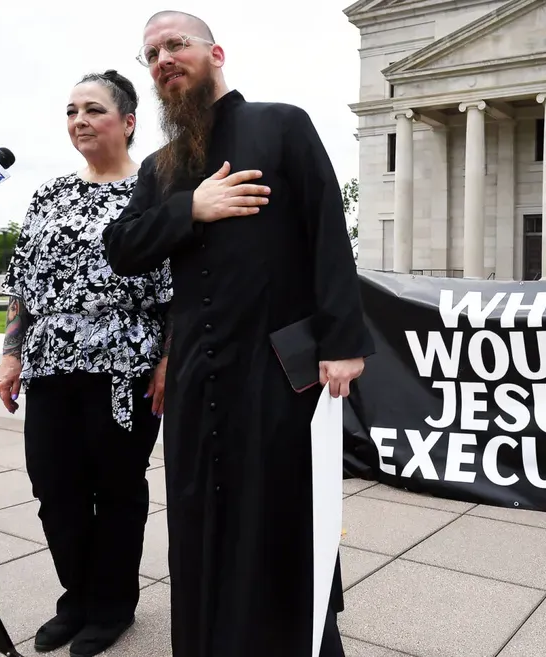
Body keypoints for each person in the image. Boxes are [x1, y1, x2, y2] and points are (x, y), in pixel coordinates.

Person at [101, 10, 374, 657]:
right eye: (151, 54)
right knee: (201, 517)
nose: (163, 59)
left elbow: (328, 233)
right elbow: (120, 247)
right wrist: (190, 208)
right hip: (197, 376)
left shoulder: (282, 125)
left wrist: (342, 343)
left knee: (282, 516)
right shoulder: (162, 167)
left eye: (175, 45)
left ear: (215, 53)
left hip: (276, 368)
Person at [0, 69, 172, 657]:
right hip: (49, 365)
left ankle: (112, 605)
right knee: (54, 487)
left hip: (125, 367)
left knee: (117, 488)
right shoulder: (50, 194)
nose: (79, 121)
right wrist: (11, 354)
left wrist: (167, 361)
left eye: (93, 110)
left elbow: (177, 289)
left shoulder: (154, 193)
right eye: (71, 111)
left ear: (128, 122)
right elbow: (23, 282)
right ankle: (77, 596)